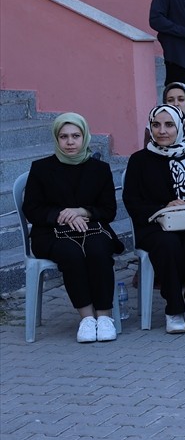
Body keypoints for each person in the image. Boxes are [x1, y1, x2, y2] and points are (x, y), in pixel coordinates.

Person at [22, 114, 123, 343]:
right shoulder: (41, 168)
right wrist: (61, 215)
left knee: (98, 251)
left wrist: (82, 211)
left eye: (75, 136)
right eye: (64, 136)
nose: (70, 142)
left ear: (84, 137)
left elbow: (108, 210)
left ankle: (104, 316)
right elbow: (33, 209)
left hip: (92, 228)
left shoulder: (100, 169)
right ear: (56, 139)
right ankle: (87, 318)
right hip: (51, 232)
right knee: (71, 254)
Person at [123, 104, 185, 334]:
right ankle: (174, 309)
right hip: (156, 226)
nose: (162, 131)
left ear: (180, 127)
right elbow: (133, 201)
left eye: (169, 125)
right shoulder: (139, 160)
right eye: (156, 125)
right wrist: (164, 208)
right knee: (168, 245)